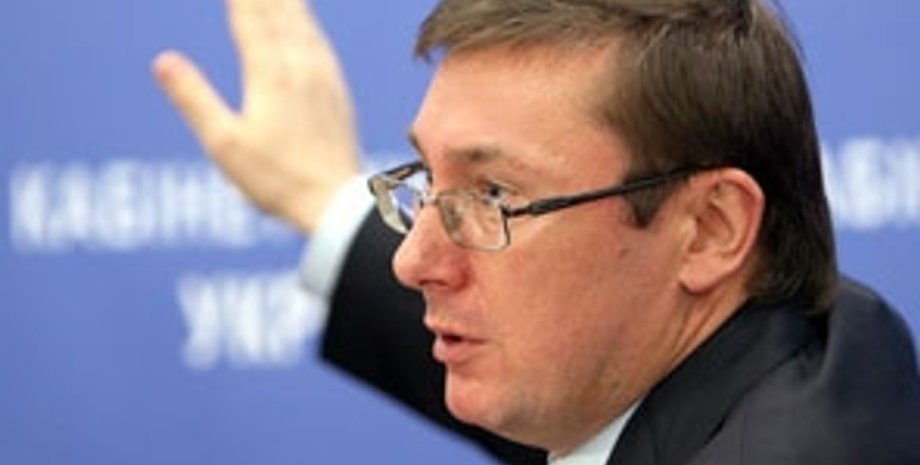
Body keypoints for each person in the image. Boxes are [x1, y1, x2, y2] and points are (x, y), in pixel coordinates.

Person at [152, 0, 920, 463]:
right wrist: (320, 199)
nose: (414, 261)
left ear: (709, 230)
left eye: (493, 195)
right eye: (430, 182)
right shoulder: (803, 358)